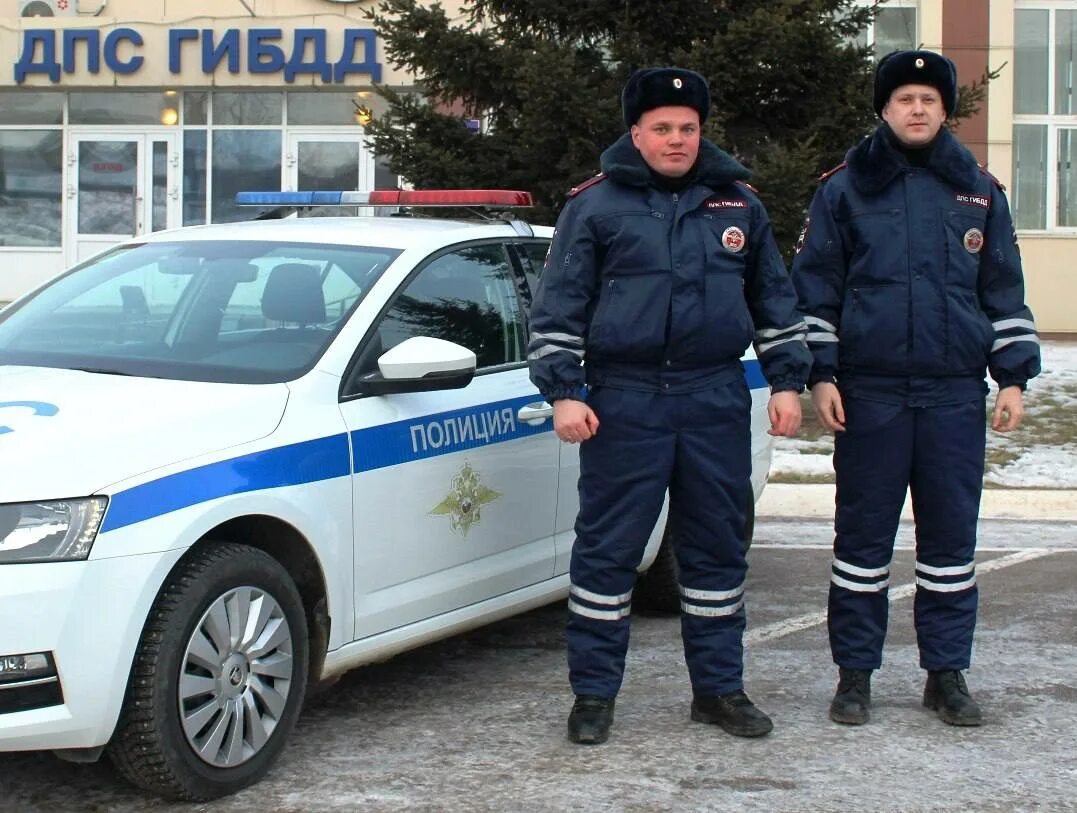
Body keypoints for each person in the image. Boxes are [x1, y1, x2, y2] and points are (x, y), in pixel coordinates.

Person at [527, 66, 812, 745]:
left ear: (701, 132)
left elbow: (773, 301)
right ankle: (593, 695)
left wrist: (785, 382)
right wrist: (564, 392)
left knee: (716, 549)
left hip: (713, 395)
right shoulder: (594, 207)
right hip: (624, 400)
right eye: (662, 128)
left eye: (687, 128)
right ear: (636, 133)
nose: (676, 139)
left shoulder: (737, 206)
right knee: (608, 551)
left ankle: (718, 690)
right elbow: (559, 308)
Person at [792, 49, 1041, 727]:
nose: (917, 109)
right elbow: (816, 290)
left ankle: (946, 674)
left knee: (950, 544)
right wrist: (821, 373)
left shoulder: (978, 191)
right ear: (884, 108)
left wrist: (1012, 377)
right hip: (869, 394)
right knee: (861, 541)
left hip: (952, 394)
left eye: (929, 99)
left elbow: (1002, 291)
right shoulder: (844, 189)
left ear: (944, 110)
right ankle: (854, 675)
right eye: (904, 98)